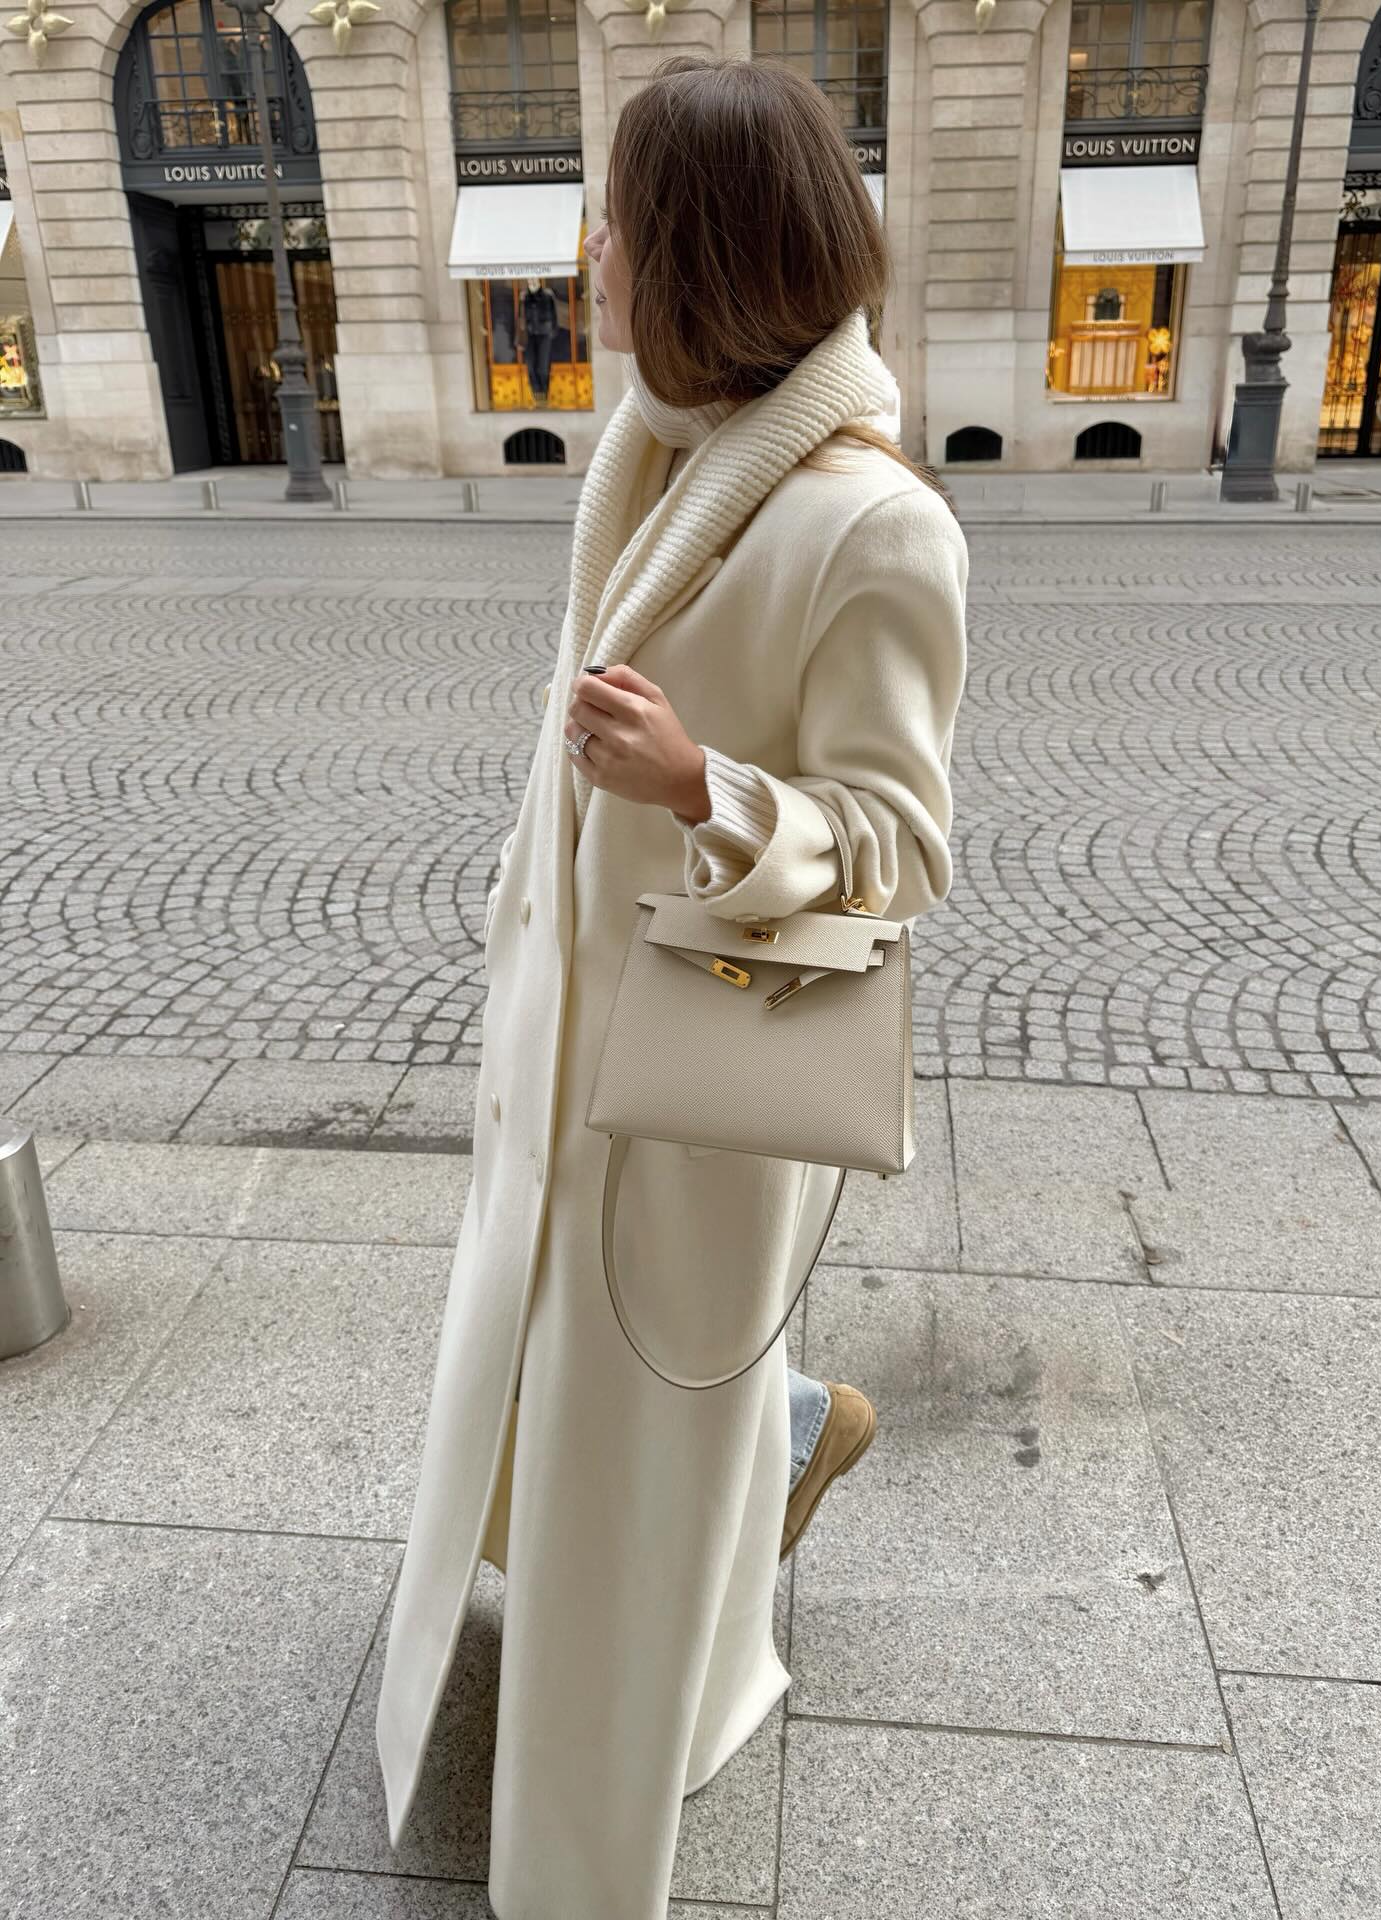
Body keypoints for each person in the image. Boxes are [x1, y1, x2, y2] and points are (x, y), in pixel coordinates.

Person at [375, 52, 968, 1918]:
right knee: (581, 1408)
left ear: (694, 255)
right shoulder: (655, 447)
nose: (587, 256)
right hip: (563, 1068)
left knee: (638, 1445)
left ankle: (583, 1840)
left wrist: (703, 786)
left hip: (700, 1097)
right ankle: (784, 1451)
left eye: (616, 224)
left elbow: (902, 848)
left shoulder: (872, 525)